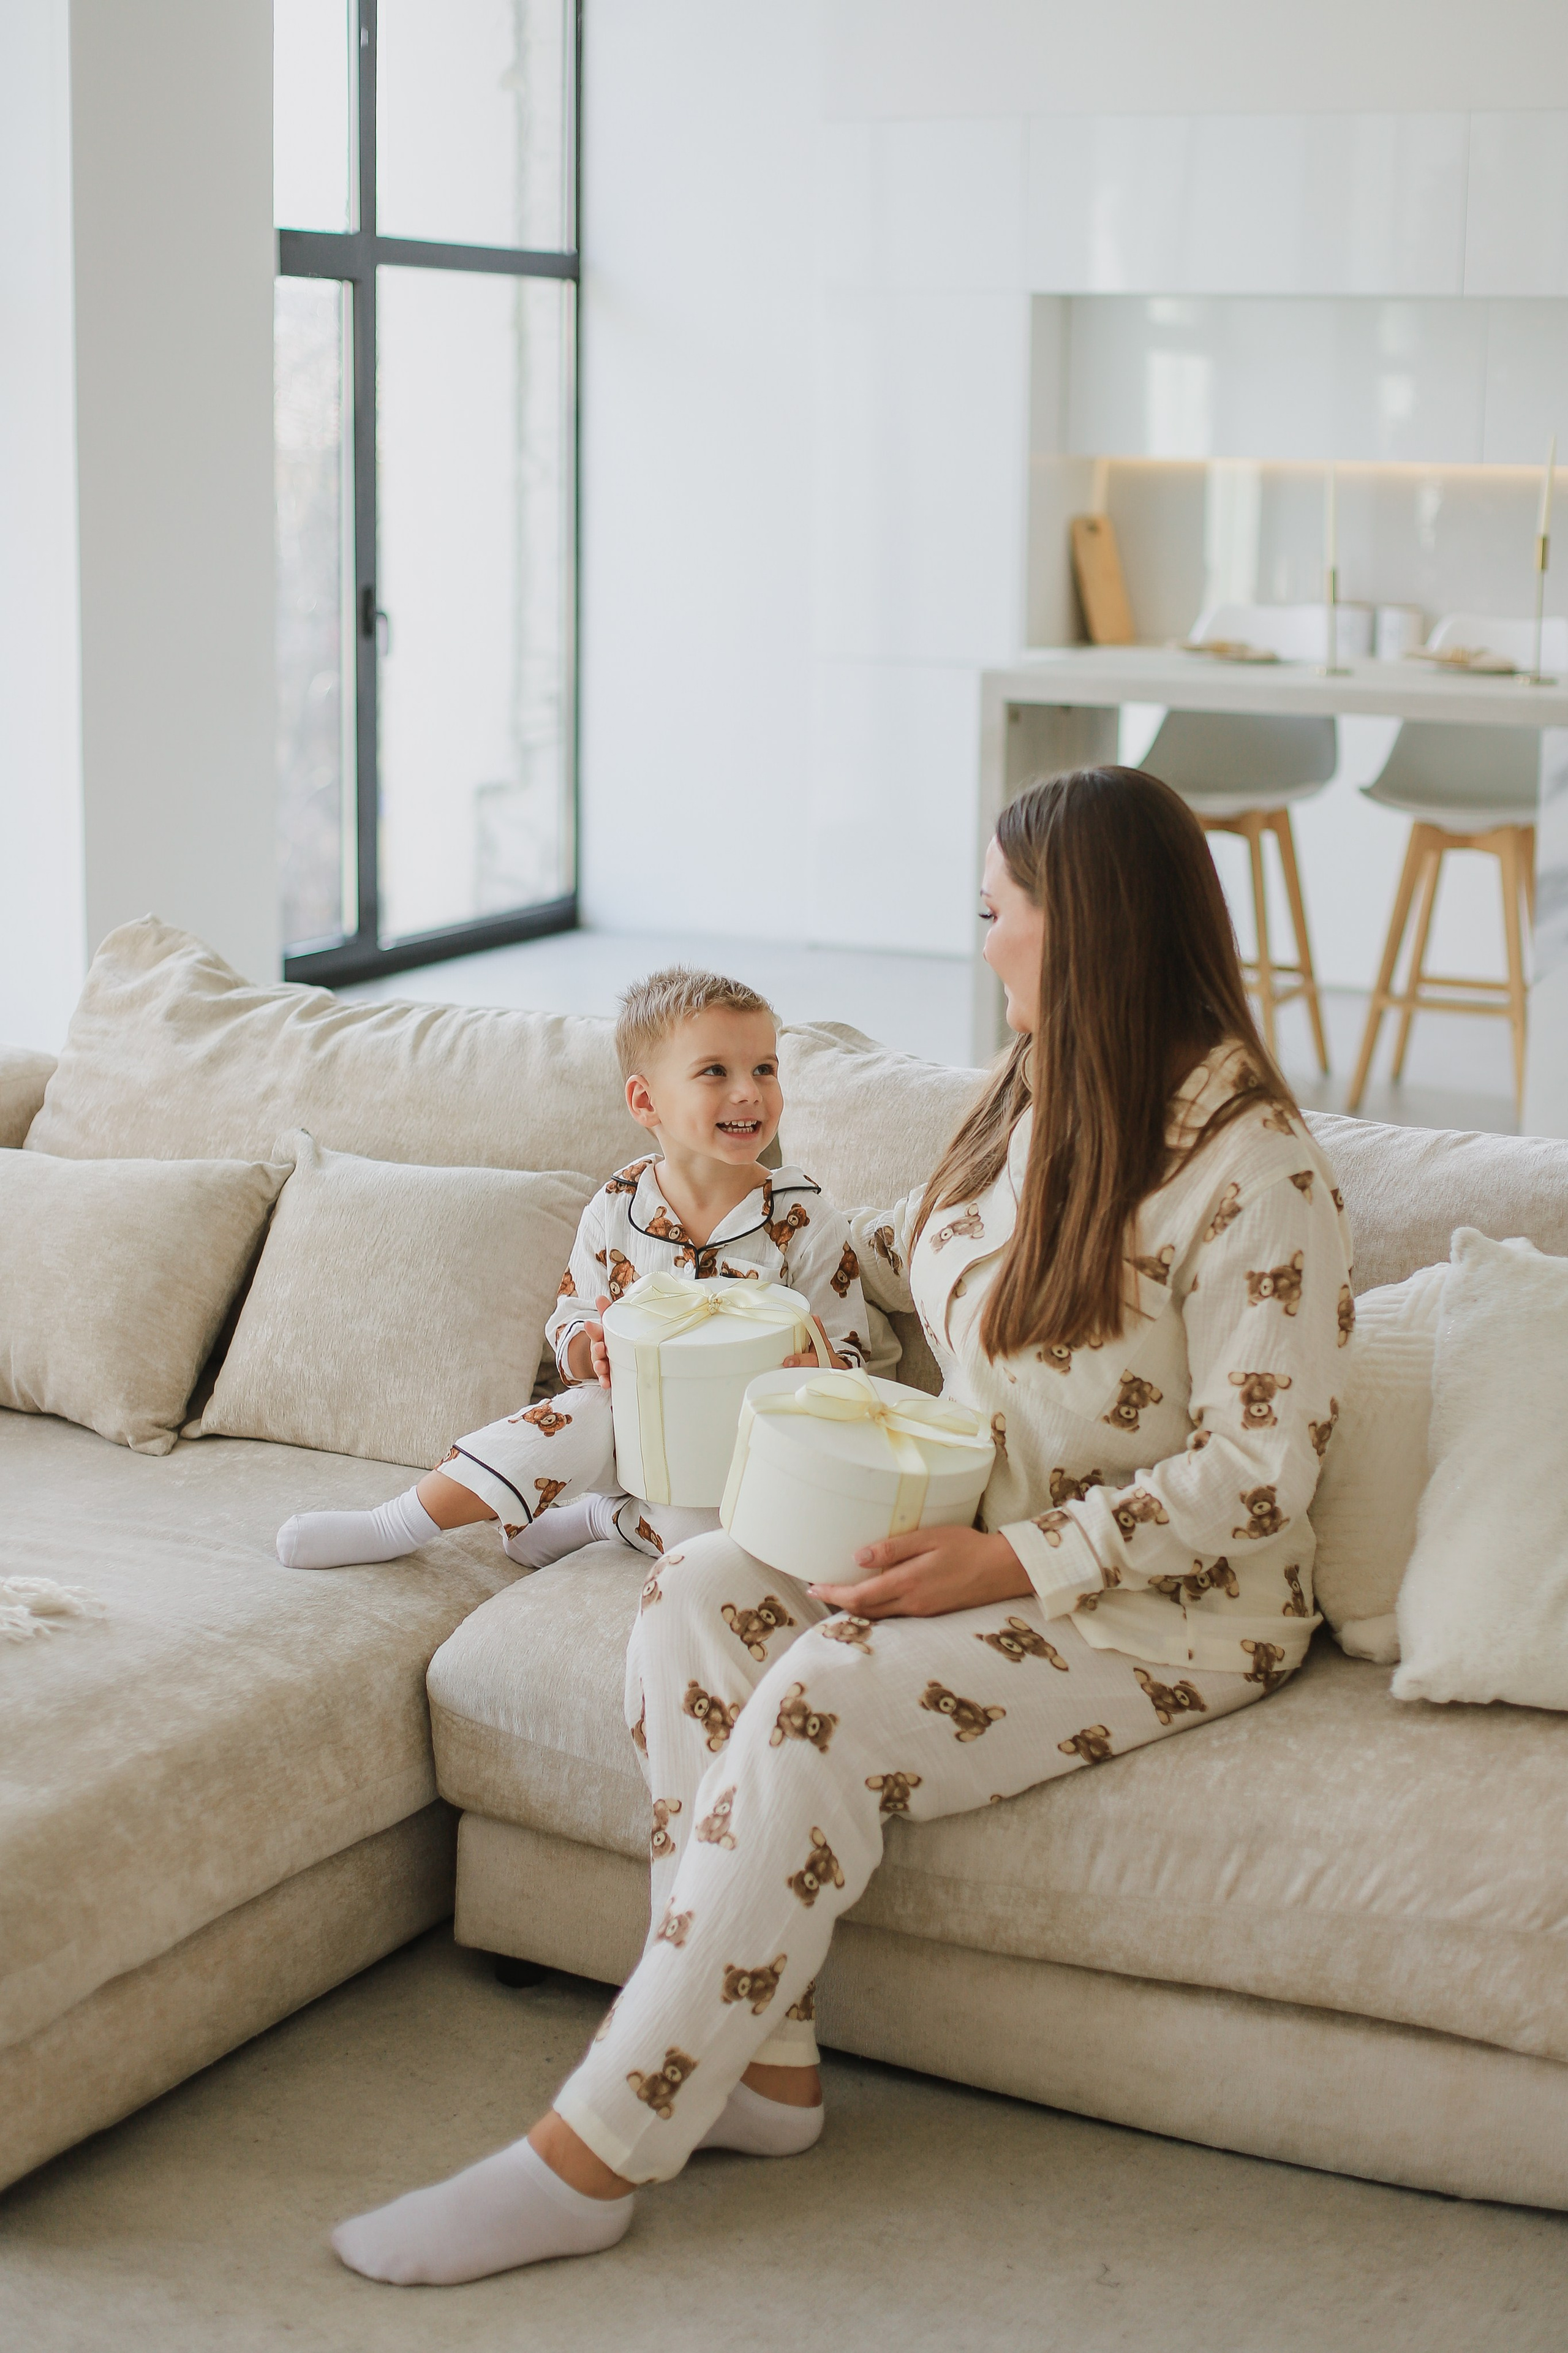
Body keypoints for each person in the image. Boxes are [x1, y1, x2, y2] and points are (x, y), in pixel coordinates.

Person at [331, 767, 1353, 2287]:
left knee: (822, 1691)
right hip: (978, 1532)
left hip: (1168, 1610)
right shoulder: (1034, 1092)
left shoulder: (1255, 1170)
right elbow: (895, 1254)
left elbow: (1263, 1470)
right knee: (695, 1587)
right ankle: (766, 2068)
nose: (980, 939)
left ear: (1083, 926)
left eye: (995, 912)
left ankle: (593, 2147)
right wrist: (708, 1305)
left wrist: (1007, 1560)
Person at [276, 967, 870, 1576]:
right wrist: (593, 1351)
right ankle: (396, 1523)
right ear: (645, 1101)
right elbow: (572, 1325)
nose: (749, 1092)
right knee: (571, 1417)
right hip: (626, 1423)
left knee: (718, 1539)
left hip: (738, 1446)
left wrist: (822, 1372)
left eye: (764, 1069)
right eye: (715, 1071)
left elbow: (850, 1355)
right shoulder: (616, 1205)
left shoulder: (806, 1218)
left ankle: (603, 1519)